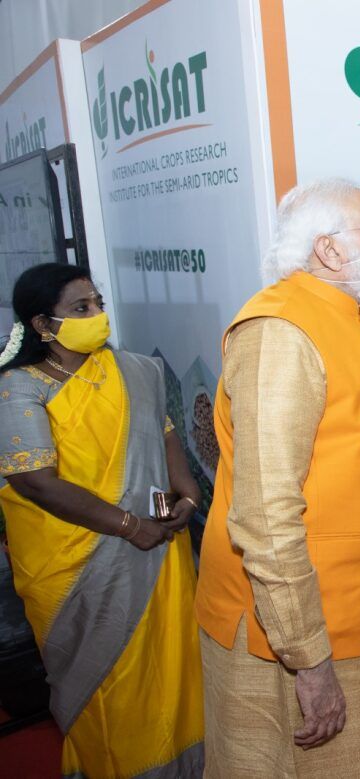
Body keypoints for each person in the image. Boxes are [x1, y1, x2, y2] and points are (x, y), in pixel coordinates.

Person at [194, 179, 360, 778]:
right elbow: (265, 515)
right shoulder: (282, 334)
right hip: (297, 623)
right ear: (330, 251)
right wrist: (307, 658)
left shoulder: (357, 314)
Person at [0, 263, 204, 777]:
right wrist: (130, 527)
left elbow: (162, 430)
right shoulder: (19, 388)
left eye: (98, 303)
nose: (97, 316)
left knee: (175, 667)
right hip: (76, 563)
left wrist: (186, 488)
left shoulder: (131, 370)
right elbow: (34, 480)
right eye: (80, 309)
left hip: (158, 548)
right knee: (109, 683)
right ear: (43, 325)